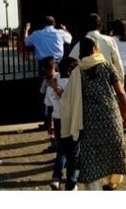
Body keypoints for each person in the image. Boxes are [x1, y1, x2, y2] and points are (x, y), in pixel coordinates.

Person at [61, 36, 126, 190]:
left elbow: (69, 97)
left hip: (89, 122)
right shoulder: (107, 67)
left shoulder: (78, 72)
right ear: (94, 49)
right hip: (110, 117)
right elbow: (120, 92)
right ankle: (113, 181)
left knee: (90, 156)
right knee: (115, 148)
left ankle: (94, 189)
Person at [46, 57, 78, 191]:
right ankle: (70, 182)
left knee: (62, 150)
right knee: (73, 151)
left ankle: (56, 177)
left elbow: (48, 104)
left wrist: (49, 124)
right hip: (71, 119)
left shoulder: (51, 84)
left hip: (58, 119)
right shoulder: (73, 84)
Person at [68, 13, 124, 78]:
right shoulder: (110, 41)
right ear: (100, 26)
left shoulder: (78, 45)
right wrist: (121, 82)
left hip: (89, 85)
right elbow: (118, 63)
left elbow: (69, 65)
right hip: (110, 82)